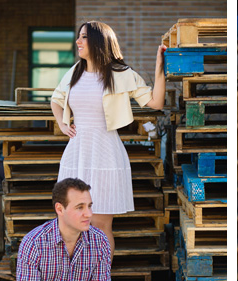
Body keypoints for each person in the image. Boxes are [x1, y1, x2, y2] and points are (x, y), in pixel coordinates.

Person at [51, 21, 166, 251]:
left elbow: (155, 102)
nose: (78, 42)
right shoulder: (75, 72)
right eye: (79, 37)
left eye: (83, 37)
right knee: (71, 226)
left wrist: (159, 66)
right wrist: (63, 124)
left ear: (98, 41)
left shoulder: (122, 74)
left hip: (106, 156)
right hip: (77, 155)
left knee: (101, 225)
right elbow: (56, 99)